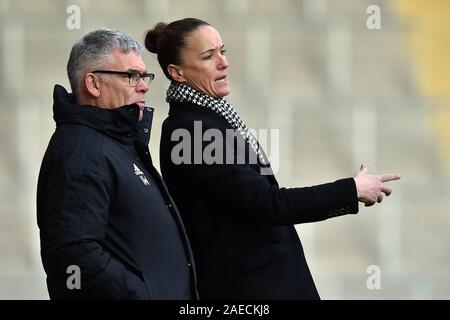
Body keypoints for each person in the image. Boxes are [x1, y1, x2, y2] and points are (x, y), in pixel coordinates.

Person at [144, 18, 401, 300]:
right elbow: (268, 203)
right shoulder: (192, 131)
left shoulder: (206, 118)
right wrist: (351, 191)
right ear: (177, 72)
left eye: (222, 51)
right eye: (208, 56)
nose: (223, 63)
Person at [36, 29, 198, 299]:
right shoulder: (83, 151)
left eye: (144, 76)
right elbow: (75, 258)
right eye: (131, 76)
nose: (144, 85)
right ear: (93, 84)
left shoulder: (115, 143)